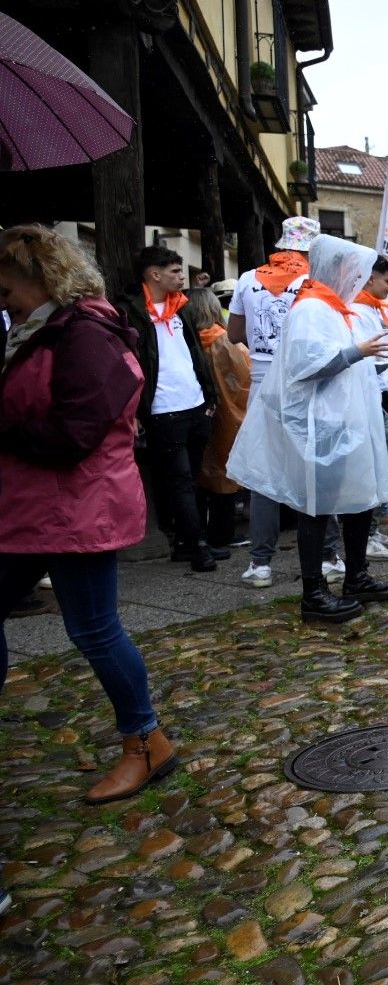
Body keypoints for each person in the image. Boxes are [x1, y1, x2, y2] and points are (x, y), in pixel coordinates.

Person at [0, 225, 178, 804]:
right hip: (35, 505)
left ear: (38, 277)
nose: (2, 300)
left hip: (74, 507)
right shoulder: (45, 329)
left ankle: (145, 740)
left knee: (95, 629)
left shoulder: (83, 335)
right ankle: (145, 738)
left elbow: (75, 432)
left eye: (7, 288)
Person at [228, 236, 388, 624]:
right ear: (340, 270)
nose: (360, 279)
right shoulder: (311, 308)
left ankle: (356, 576)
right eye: (356, 272)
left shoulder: (335, 308)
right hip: (319, 424)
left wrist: (377, 358)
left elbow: (348, 365)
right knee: (316, 507)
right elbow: (307, 366)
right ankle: (314, 592)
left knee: (359, 499)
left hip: (344, 422)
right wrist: (359, 352)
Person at [229, 216, 321, 587]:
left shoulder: (248, 279)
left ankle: (261, 563)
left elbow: (235, 333)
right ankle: (327, 555)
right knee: (312, 470)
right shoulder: (315, 281)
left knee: (264, 474)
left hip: (262, 384)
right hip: (304, 383)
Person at [120, 245, 220, 572]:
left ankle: (186, 541)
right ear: (155, 274)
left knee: (193, 476)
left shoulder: (183, 307)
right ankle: (198, 545)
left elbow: (195, 353)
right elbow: (128, 363)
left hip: (195, 405)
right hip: (163, 409)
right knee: (178, 479)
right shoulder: (131, 311)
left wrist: (209, 397)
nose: (181, 276)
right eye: (176, 271)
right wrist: (134, 408)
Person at [178, 288, 251, 553]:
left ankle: (198, 533)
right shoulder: (225, 341)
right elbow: (246, 378)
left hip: (196, 415)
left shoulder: (187, 341)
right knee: (224, 475)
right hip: (230, 416)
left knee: (200, 474)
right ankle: (222, 533)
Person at [350, 255, 388, 562]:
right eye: (387, 281)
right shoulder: (358, 311)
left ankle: (371, 528)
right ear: (370, 279)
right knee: (383, 456)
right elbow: (362, 359)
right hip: (364, 397)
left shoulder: (371, 308)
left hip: (376, 394)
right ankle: (366, 533)